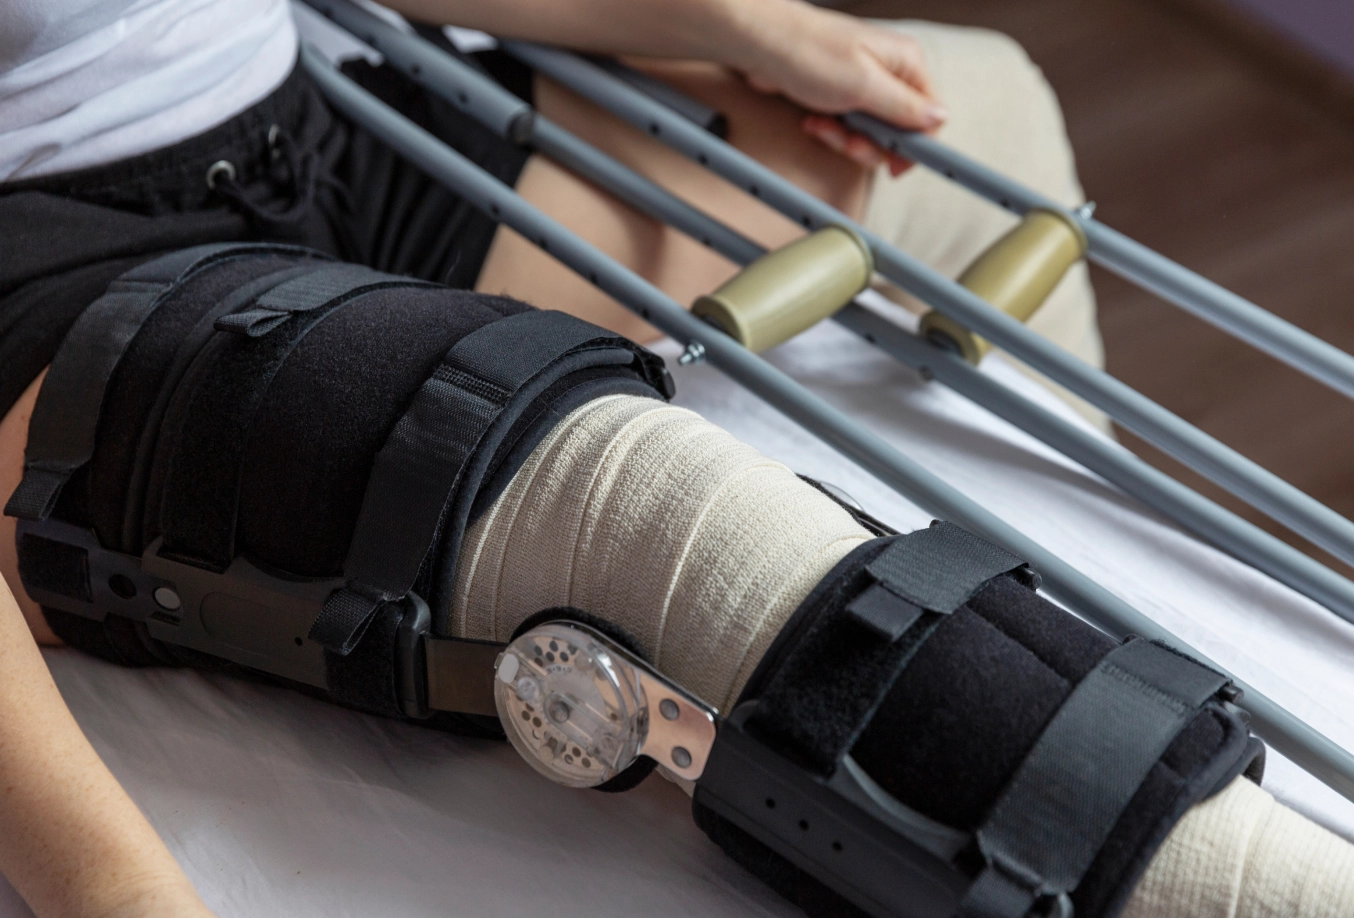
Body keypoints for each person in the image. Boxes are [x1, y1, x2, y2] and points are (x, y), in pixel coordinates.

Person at [4, 1, 1347, 916]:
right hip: (54, 274)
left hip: (303, 135)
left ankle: (1105, 572)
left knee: (965, 108)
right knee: (639, 512)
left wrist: (728, 23)